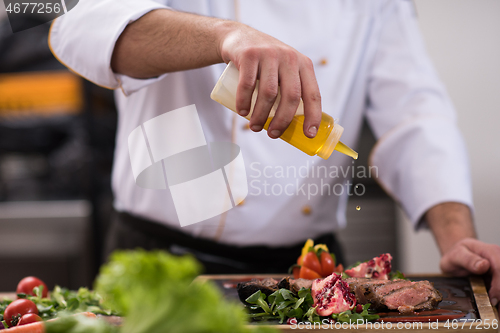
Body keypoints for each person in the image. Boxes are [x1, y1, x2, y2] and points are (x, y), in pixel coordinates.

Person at [49, 0, 499, 306]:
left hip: (307, 270)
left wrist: (458, 239)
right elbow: (78, 24)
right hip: (160, 258)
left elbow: (414, 117)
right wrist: (226, 36)